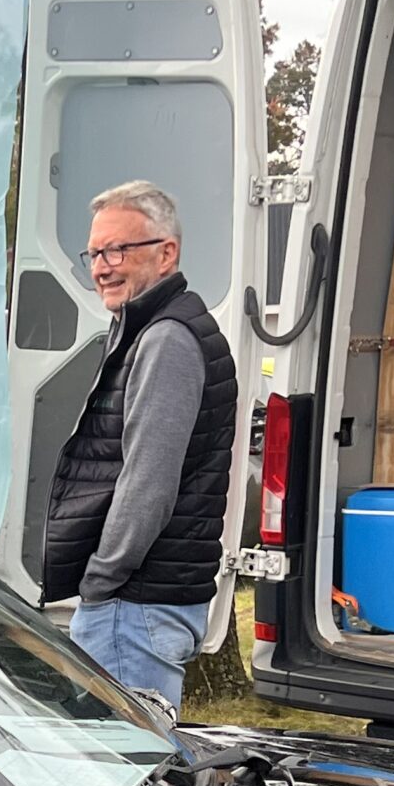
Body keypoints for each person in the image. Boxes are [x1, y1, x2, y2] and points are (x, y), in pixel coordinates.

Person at [40, 180, 238, 716]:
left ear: (166, 253)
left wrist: (101, 580)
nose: (102, 268)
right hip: (147, 598)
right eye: (95, 254)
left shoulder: (165, 338)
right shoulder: (154, 326)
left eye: (118, 250)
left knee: (126, 760)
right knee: (142, 753)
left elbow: (147, 483)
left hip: (134, 603)